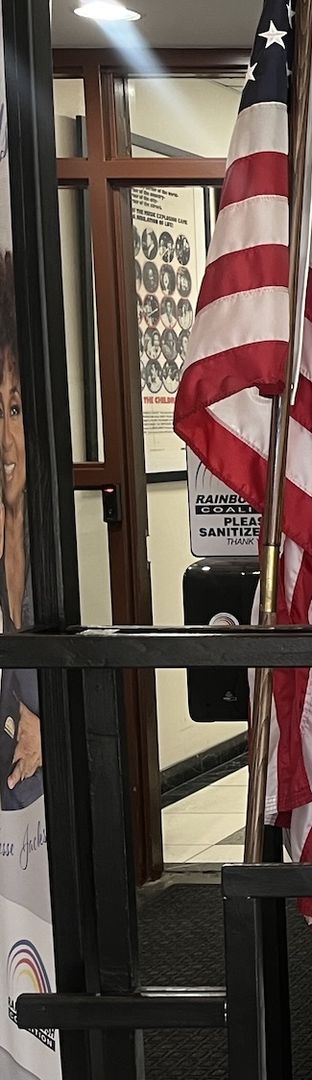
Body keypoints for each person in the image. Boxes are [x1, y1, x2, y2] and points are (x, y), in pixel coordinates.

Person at [0, 253, 41, 810]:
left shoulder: (44, 540)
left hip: (38, 808)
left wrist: (40, 716)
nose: (4, 442)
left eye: (13, 409)